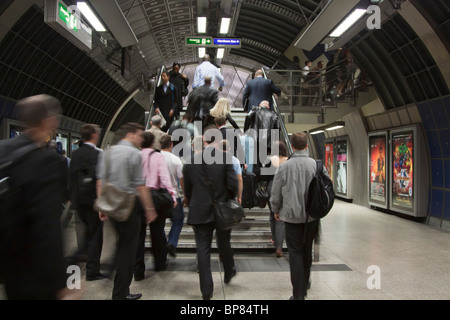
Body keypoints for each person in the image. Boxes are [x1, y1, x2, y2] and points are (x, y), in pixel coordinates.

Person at [0, 94, 74, 300]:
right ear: (48, 121)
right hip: (37, 270)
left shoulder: (3, 150)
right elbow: (48, 227)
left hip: (9, 262)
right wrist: (62, 283)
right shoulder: (48, 161)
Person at [98, 123, 158, 300]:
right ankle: (121, 293)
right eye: (139, 135)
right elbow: (140, 185)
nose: (141, 139)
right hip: (129, 207)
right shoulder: (134, 153)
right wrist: (149, 209)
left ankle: (119, 285)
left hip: (112, 205)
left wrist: (102, 205)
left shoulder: (108, 152)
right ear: (131, 134)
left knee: (121, 245)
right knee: (127, 251)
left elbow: (101, 180)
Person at [270, 132, 330, 300]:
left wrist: (276, 210)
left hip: (290, 218)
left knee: (295, 253)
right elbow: (326, 189)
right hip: (312, 217)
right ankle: (305, 282)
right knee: (307, 251)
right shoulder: (317, 166)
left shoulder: (284, 167)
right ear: (306, 146)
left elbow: (275, 193)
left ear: (293, 146)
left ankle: (298, 294)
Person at [183, 126, 239, 300]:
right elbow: (233, 185)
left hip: (200, 210)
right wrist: (227, 199)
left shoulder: (190, 161)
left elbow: (188, 189)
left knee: (202, 248)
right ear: (216, 140)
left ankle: (206, 291)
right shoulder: (226, 158)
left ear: (204, 140)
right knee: (224, 243)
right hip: (222, 210)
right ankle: (229, 270)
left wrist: (195, 201)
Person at [134, 132, 177, 279]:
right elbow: (164, 179)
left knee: (138, 236)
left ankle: (138, 271)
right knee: (157, 233)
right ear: (153, 143)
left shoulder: (135, 156)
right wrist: (172, 195)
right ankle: (159, 263)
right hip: (155, 198)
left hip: (138, 198)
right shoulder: (157, 156)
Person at [68, 124, 107, 281]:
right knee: (95, 236)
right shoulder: (98, 154)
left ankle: (76, 257)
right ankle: (92, 271)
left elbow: (71, 177)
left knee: (84, 234)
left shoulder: (75, 154)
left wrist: (72, 199)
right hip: (93, 202)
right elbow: (99, 179)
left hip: (78, 202)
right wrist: (101, 203)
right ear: (94, 135)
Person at [159, 134, 185, 258]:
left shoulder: (155, 158)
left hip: (158, 196)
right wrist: (186, 195)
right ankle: (172, 242)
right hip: (173, 195)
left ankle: (163, 244)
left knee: (159, 223)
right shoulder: (176, 160)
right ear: (171, 145)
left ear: (160, 145)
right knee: (178, 220)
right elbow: (182, 179)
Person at [265, 141, 288, 258]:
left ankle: (275, 240)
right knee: (279, 216)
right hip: (285, 187)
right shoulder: (288, 160)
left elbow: (264, 174)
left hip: (271, 187)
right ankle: (279, 245)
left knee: (273, 213)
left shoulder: (270, 159)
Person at [244, 100, 280, 172]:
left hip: (254, 139)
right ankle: (260, 178)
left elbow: (248, 117)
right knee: (262, 160)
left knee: (254, 159)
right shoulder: (274, 114)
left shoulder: (255, 110)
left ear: (260, 105)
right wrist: (275, 142)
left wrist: (246, 131)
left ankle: (253, 177)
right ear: (269, 107)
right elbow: (277, 129)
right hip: (267, 142)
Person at [220, 139, 243, 205]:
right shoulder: (235, 160)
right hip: (231, 191)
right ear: (229, 148)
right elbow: (240, 179)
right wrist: (239, 196)